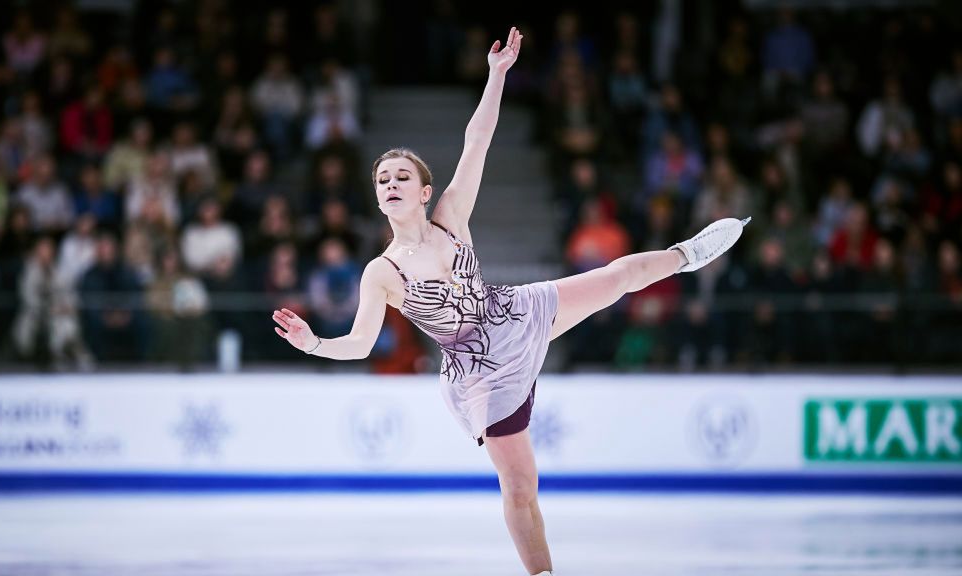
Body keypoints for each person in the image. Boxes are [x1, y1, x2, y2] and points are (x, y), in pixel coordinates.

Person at [270, 27, 750, 576]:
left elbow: (477, 142)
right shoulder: (381, 272)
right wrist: (314, 343)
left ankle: (687, 254)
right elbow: (359, 346)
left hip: (515, 313)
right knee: (521, 485)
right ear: (377, 195)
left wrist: (497, 75)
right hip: (479, 372)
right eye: (382, 179)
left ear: (424, 192)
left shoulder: (450, 216)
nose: (391, 183)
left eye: (403, 176)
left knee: (620, 275)